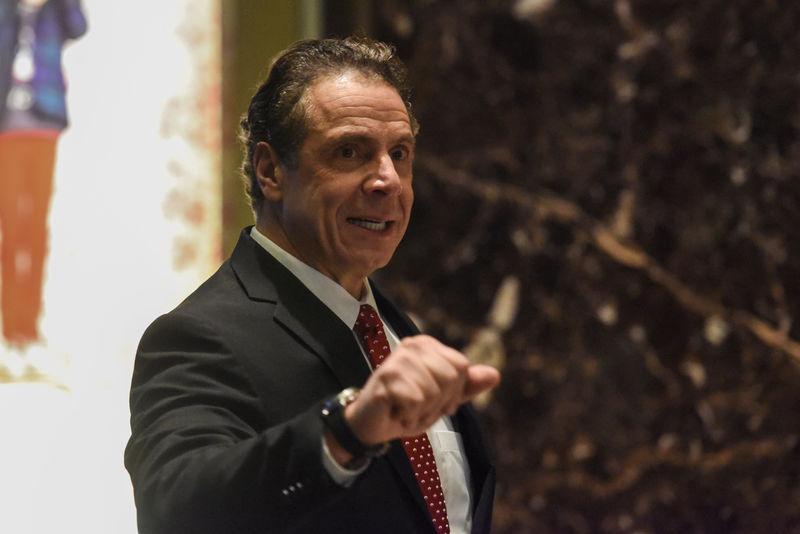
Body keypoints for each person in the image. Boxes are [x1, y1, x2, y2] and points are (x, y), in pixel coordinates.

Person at [124, 37, 501, 534]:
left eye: (400, 153)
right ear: (270, 171)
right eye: (351, 151)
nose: (388, 179)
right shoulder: (199, 337)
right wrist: (346, 431)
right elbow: (177, 507)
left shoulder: (389, 326)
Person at [0, 0, 87, 375]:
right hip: (6, 127)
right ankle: (10, 333)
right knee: (10, 230)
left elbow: (78, 25)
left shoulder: (56, 12)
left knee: (35, 230)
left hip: (44, 123)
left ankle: (30, 332)